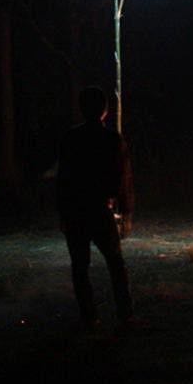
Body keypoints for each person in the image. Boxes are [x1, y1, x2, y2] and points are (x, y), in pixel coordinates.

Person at [55, 86, 133, 329]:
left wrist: (63, 212)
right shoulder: (111, 139)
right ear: (105, 110)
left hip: (75, 210)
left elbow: (63, 178)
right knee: (116, 263)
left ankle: (90, 317)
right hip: (98, 209)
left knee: (80, 266)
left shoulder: (70, 138)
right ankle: (125, 314)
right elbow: (122, 178)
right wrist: (126, 211)